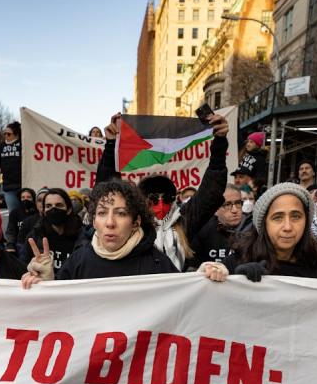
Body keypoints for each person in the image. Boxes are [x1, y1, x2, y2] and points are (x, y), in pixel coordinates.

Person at [95, 111, 230, 271]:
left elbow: (211, 191)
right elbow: (108, 192)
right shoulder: (132, 225)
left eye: (166, 198)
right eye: (152, 198)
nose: (160, 204)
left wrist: (220, 144)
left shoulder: (184, 221)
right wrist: (111, 146)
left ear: (174, 199)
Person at [22, 180, 176, 286]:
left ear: (136, 222)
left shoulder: (158, 263)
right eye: (102, 213)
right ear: (94, 221)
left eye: (121, 213)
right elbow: (60, 306)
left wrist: (199, 278)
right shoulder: (79, 259)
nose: (110, 223)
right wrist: (48, 282)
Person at [201, 182, 317, 283]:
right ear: (264, 224)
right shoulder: (238, 261)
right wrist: (229, 277)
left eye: (296, 216)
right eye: (277, 217)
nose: (287, 227)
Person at [26, 188, 82, 272]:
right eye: (48, 206)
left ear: (69, 210)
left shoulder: (82, 236)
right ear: (44, 211)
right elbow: (24, 265)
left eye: (59, 205)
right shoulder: (36, 235)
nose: (53, 209)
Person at [188, 184, 245, 268]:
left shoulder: (254, 230)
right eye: (227, 204)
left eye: (238, 203)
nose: (234, 210)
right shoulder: (201, 231)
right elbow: (192, 270)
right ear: (215, 208)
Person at [5, 187, 38, 259]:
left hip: (34, 245)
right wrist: (10, 246)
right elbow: (11, 231)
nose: (25, 199)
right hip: (20, 245)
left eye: (29, 197)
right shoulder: (15, 213)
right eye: (23, 197)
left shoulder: (37, 213)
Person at [0, 122, 23, 213]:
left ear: (16, 134)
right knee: (13, 213)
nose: (6, 136)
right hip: (8, 186)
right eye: (4, 134)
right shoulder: (1, 146)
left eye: (8, 134)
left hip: (23, 185)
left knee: (25, 213)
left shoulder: (23, 145)